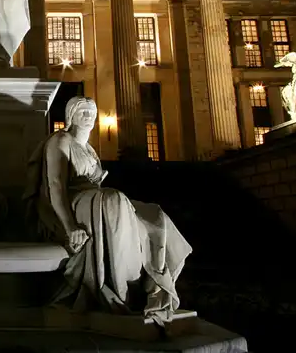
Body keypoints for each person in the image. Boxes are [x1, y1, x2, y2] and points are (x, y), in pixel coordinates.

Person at [24, 97, 192, 325]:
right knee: (113, 199)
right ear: (70, 114)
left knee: (152, 214)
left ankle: (154, 285)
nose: (88, 115)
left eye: (92, 111)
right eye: (83, 110)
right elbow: (55, 186)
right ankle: (120, 289)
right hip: (72, 203)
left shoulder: (91, 150)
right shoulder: (61, 140)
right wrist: (70, 227)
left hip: (95, 201)